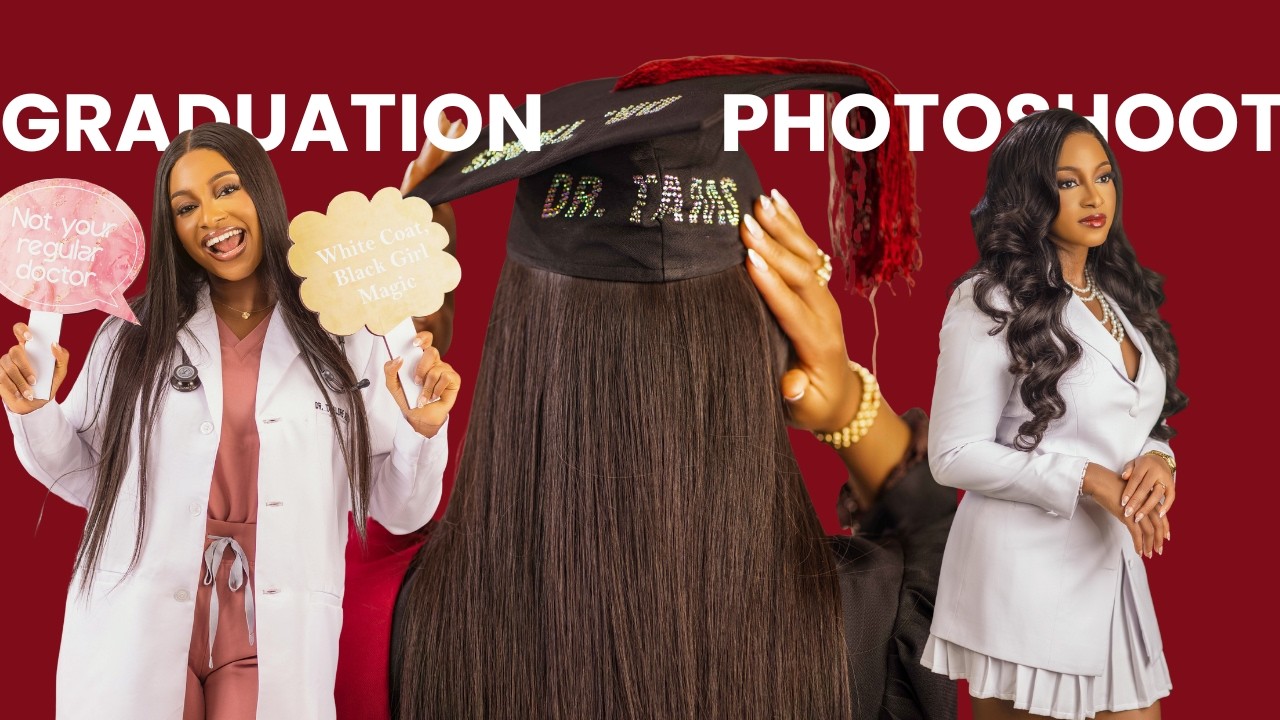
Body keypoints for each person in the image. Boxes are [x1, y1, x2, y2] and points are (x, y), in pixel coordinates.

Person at [376, 57, 958, 719]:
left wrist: (396, 344)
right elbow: (975, 568)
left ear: (514, 334)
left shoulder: (403, 624)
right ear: (768, 340)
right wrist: (850, 407)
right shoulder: (870, 624)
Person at [0, 121, 460, 719]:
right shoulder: (130, 334)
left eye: (225, 189)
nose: (210, 217)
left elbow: (400, 509)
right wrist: (34, 411)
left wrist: (422, 432)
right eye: (185, 207)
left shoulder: (347, 337)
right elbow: (84, 474)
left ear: (261, 190)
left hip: (273, 619)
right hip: (139, 612)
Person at [921, 109, 1187, 719]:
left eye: (1103, 176)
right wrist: (1088, 478)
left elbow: (1129, 417)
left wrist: (1158, 457)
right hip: (1023, 581)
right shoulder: (990, 299)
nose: (1095, 197)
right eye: (1068, 182)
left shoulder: (1113, 295)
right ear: (1031, 193)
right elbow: (952, 454)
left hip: (1108, 566)